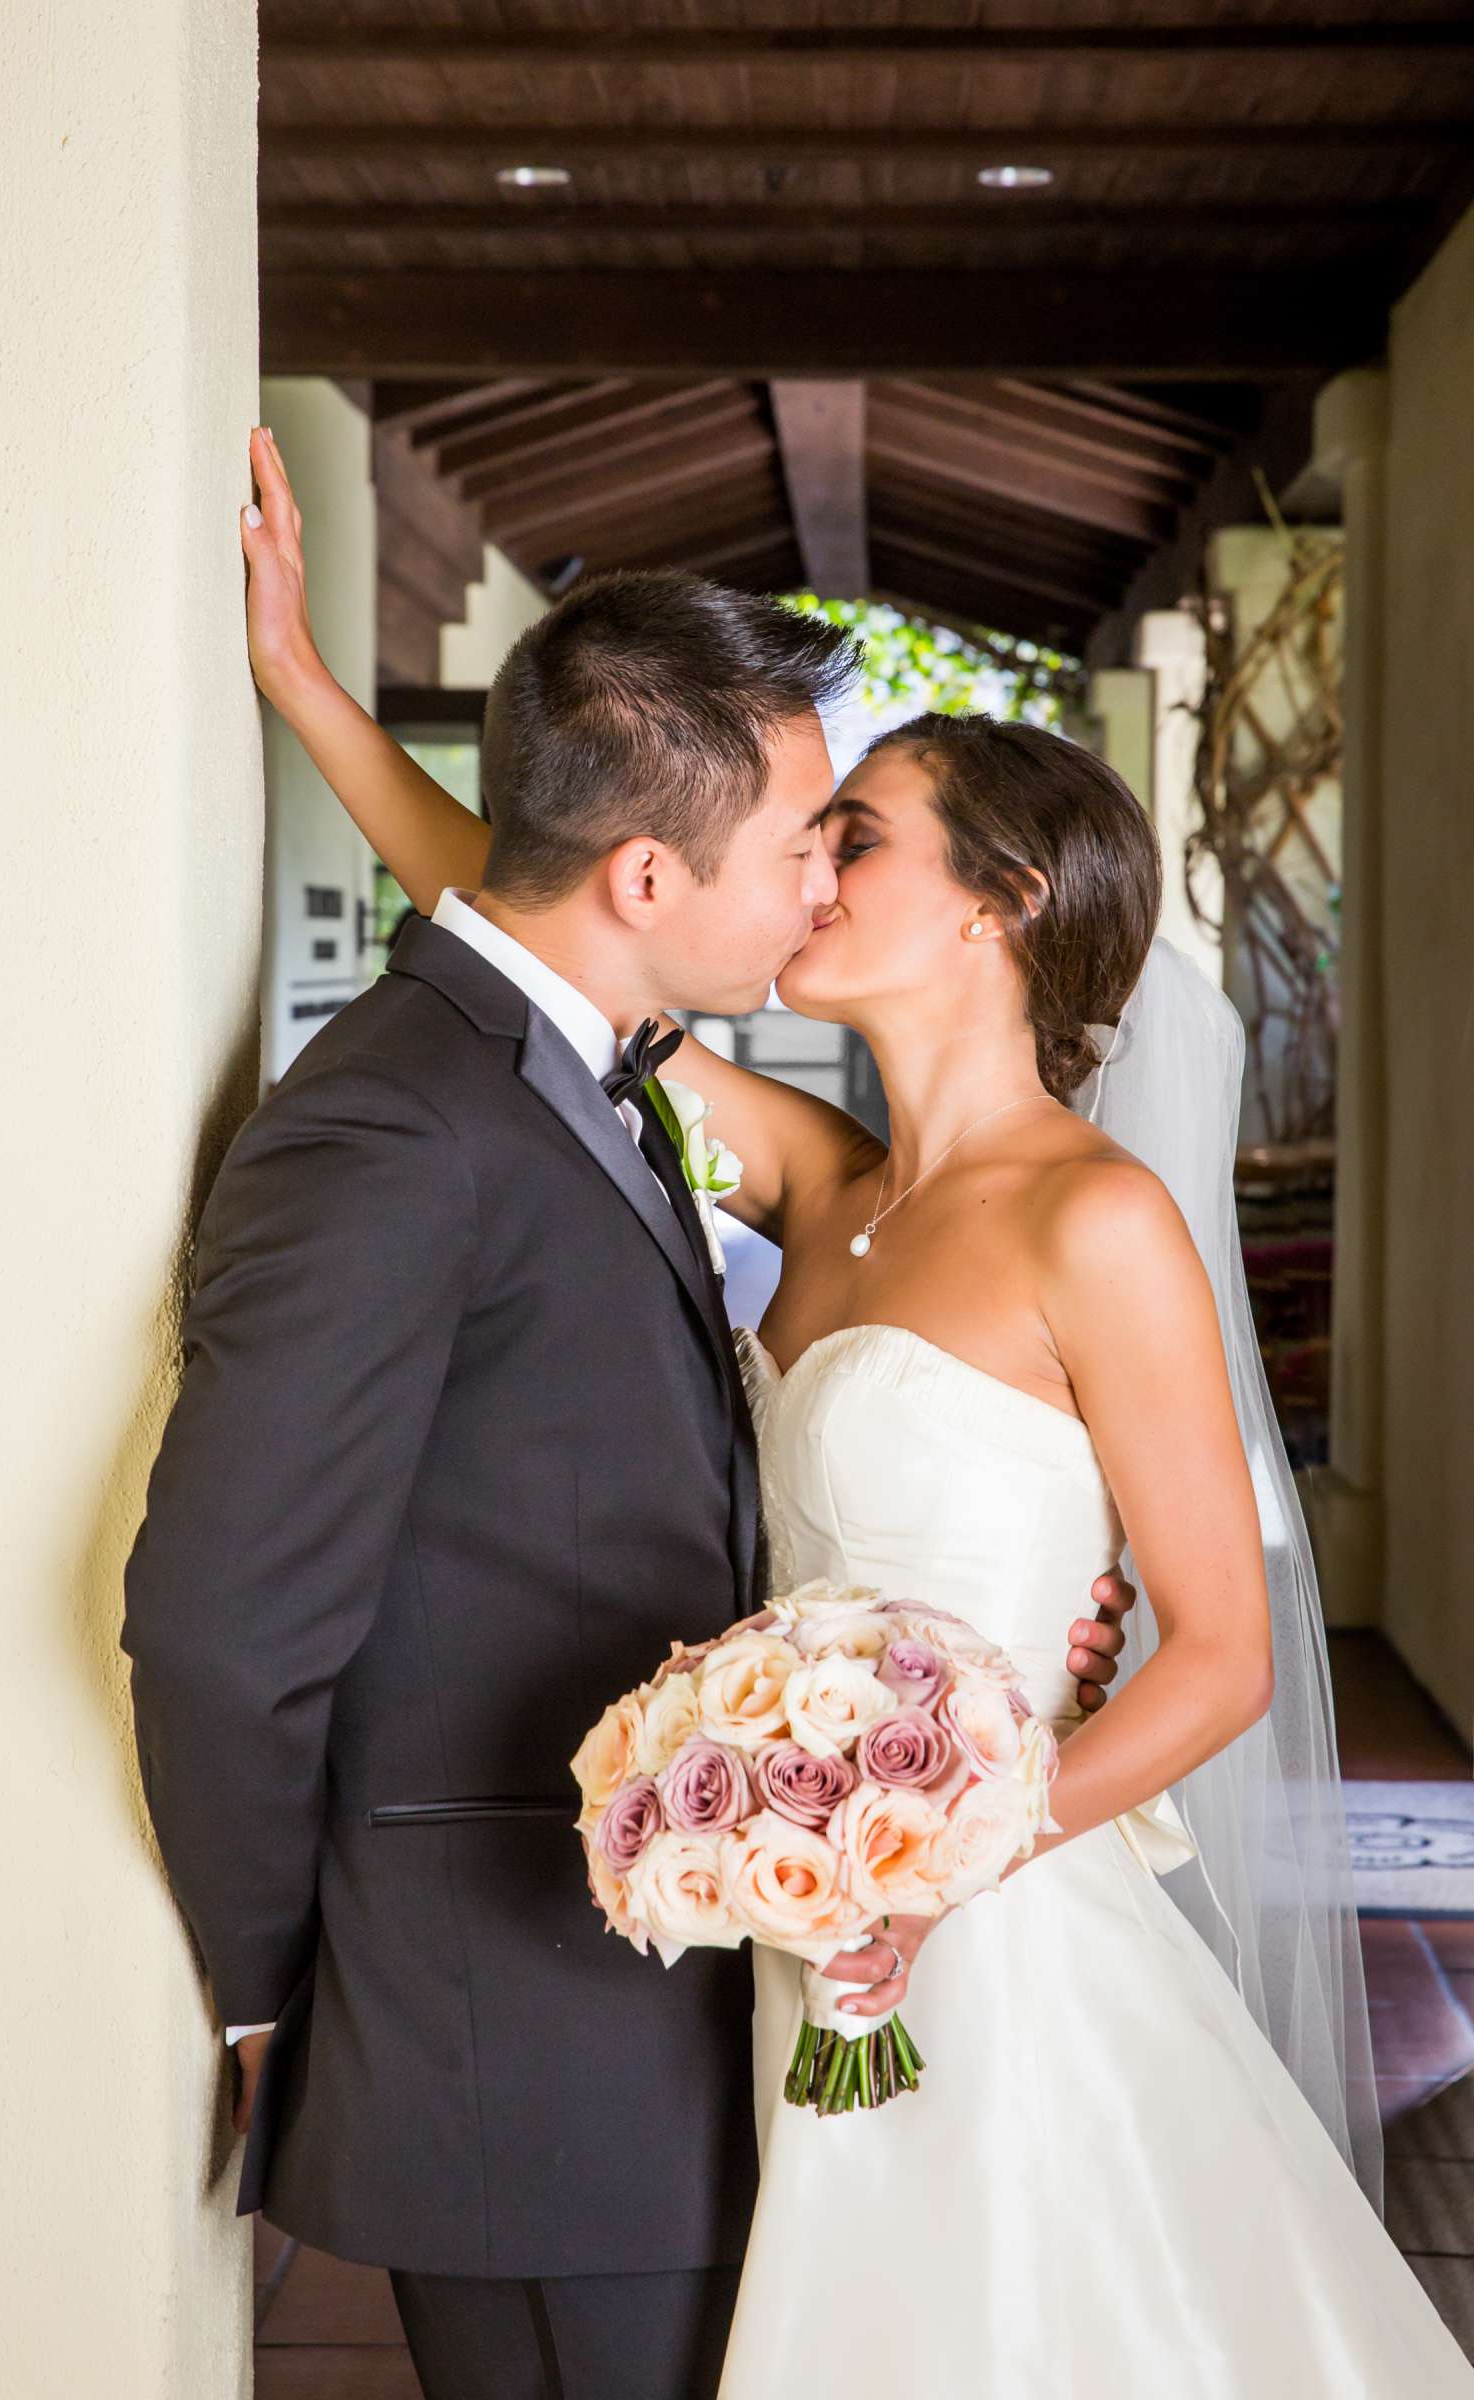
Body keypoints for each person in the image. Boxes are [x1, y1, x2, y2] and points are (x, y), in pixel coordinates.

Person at [252, 430, 1474, 2392]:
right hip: (798, 1906)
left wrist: (932, 1862)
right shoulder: (823, 1184)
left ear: (991, 905)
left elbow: (1223, 1657)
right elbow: (537, 933)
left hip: (985, 1927)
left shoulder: (1096, 1216)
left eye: (858, 838)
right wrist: (306, 690)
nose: (805, 866)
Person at [116, 434, 1134, 2400]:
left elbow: (549, 914)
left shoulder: (609, 1070)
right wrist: (261, 1993)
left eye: (856, 842)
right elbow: (229, 1623)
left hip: (735, 1971)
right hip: (534, 2042)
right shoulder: (429, 1121)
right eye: (803, 841)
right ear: (657, 874)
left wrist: (1012, 1654)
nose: (819, 877)